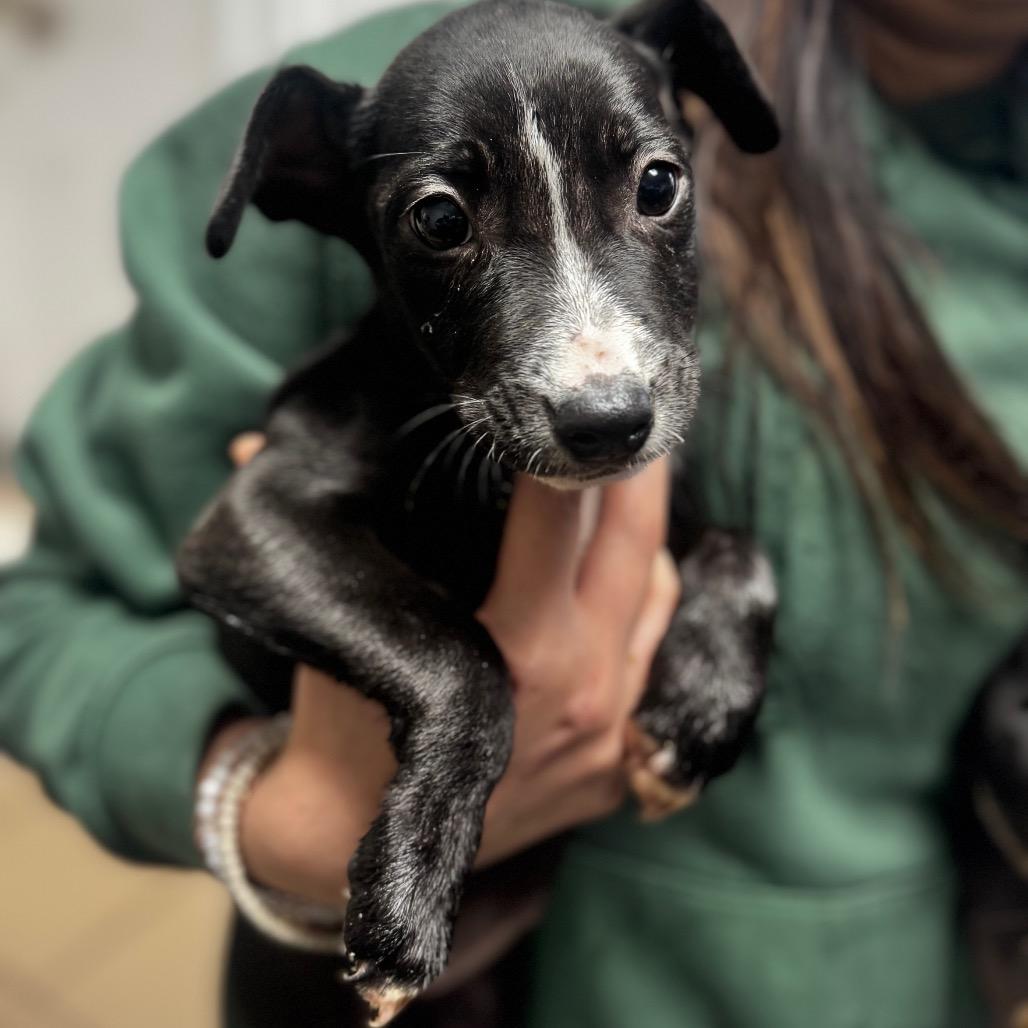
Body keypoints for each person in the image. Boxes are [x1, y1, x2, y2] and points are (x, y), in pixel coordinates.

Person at [1, 0, 1026, 1025]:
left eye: (653, 189)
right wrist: (268, 812)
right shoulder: (431, 81)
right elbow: (42, 608)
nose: (603, 380)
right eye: (444, 222)